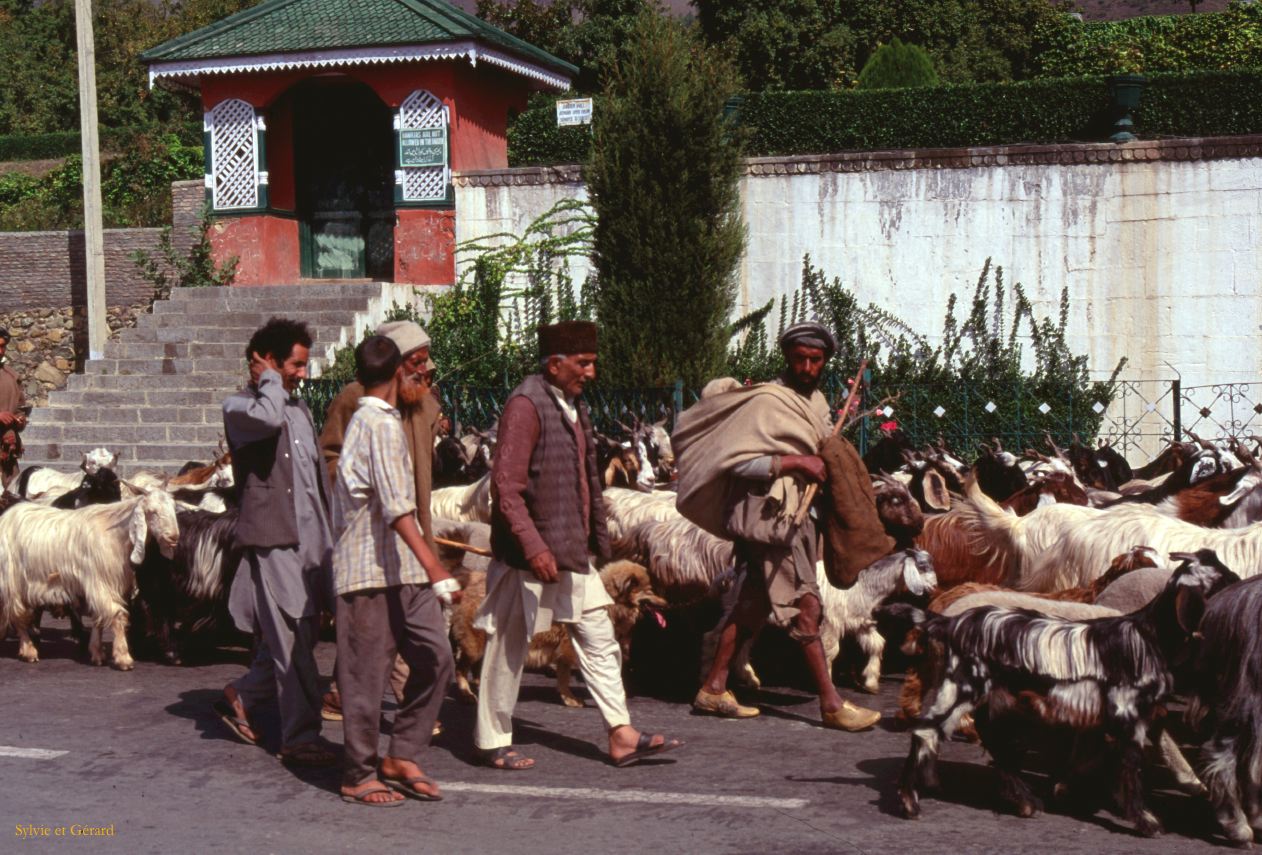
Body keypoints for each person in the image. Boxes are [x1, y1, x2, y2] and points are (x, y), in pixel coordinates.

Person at [473, 320, 684, 770]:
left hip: (570, 553)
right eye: (583, 363)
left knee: (600, 638)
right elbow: (505, 488)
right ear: (555, 364)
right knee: (509, 646)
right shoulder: (525, 406)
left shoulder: (573, 406)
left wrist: (596, 542)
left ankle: (621, 734)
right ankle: (492, 740)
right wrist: (534, 548)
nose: (590, 372)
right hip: (526, 556)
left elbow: (585, 480)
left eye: (592, 363)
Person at [674, 321, 882, 731]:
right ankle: (831, 703)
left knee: (753, 602)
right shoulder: (767, 401)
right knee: (806, 606)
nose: (807, 367)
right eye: (800, 358)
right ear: (787, 357)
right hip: (768, 519)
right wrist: (793, 463)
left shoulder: (819, 403)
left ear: (826, 361)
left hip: (800, 518)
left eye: (815, 360)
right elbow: (734, 461)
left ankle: (713, 689)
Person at [332, 335, 460, 806]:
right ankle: (359, 773)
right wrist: (438, 569)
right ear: (400, 372)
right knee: (366, 677)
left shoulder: (395, 416)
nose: (425, 375)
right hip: (368, 570)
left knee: (436, 657)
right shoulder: (376, 424)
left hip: (403, 568)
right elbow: (396, 508)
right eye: (418, 367)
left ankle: (402, 753)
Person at [214, 317, 338, 766]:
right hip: (274, 542)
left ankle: (243, 693)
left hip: (312, 543)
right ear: (265, 362)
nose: (303, 374)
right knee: (292, 639)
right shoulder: (241, 408)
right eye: (294, 365)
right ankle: (300, 736)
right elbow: (267, 419)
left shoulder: (300, 411)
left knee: (296, 633)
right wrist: (268, 379)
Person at [318, 320, 441, 720]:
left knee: (389, 629)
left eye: (427, 362)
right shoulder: (357, 399)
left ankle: (345, 696)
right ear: (396, 364)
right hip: (371, 533)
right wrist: (357, 490)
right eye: (417, 362)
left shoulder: (424, 400)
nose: (425, 370)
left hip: (414, 527)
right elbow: (330, 456)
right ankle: (403, 713)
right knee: (388, 628)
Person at [0, 328, 28, 488]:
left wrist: (20, 420)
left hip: (7, 452)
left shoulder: (11, 376)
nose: (0, 351)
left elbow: (20, 408)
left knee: (11, 499)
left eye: (3, 346)